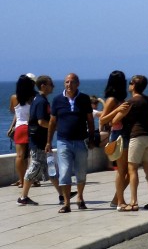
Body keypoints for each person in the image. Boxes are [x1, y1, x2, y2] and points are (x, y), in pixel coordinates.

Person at [47, 73, 97, 213]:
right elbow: (52, 122)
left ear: (78, 83)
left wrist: (92, 138)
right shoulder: (57, 100)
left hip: (81, 141)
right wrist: (48, 142)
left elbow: (90, 120)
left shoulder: (84, 99)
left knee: (81, 171)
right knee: (64, 172)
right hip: (63, 141)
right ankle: (66, 203)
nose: (69, 84)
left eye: (72, 82)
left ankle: (80, 197)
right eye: (67, 82)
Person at [109, 74, 148, 211]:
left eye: (131, 82)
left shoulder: (131, 102)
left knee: (132, 170)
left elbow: (114, 121)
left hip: (137, 137)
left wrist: (116, 111)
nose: (129, 84)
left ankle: (134, 201)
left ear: (134, 86)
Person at [19, 75, 60, 206]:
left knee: (51, 167)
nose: (52, 86)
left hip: (42, 141)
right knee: (34, 166)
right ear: (43, 85)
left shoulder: (38, 99)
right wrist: (56, 126)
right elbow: (41, 121)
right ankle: (23, 197)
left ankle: (62, 194)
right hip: (38, 141)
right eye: (50, 84)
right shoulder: (41, 101)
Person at [98, 70, 130, 208]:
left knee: (129, 172)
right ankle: (120, 201)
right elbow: (102, 119)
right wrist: (117, 110)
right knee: (122, 170)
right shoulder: (112, 100)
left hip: (125, 134)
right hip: (118, 135)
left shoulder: (120, 100)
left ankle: (116, 199)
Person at [10, 74, 35, 191]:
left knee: (20, 156)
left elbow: (12, 111)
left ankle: (21, 180)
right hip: (31, 128)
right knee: (32, 156)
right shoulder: (34, 97)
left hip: (19, 128)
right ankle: (32, 179)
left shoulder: (14, 97)